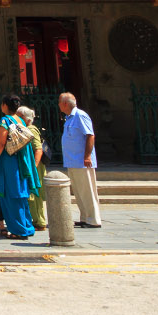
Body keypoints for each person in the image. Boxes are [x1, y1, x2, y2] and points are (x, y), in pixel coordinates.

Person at [0, 94, 41, 239]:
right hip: (20, 161)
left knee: (11, 195)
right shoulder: (20, 120)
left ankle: (19, 230)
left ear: (5, 105)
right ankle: (27, 226)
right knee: (21, 195)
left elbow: (1, 142)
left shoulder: (5, 120)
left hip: (8, 161)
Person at [59, 91, 102, 228]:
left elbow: (90, 135)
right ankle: (85, 217)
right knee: (79, 191)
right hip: (72, 161)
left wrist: (87, 156)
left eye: (59, 102)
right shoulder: (69, 118)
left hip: (82, 161)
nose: (59, 105)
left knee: (87, 191)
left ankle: (93, 219)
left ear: (65, 103)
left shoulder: (80, 116)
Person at [19, 105, 49, 231]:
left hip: (35, 167)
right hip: (31, 166)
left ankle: (39, 222)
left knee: (35, 195)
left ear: (26, 119)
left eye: (19, 117)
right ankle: (35, 219)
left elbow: (38, 149)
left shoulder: (31, 129)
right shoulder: (25, 128)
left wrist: (34, 167)